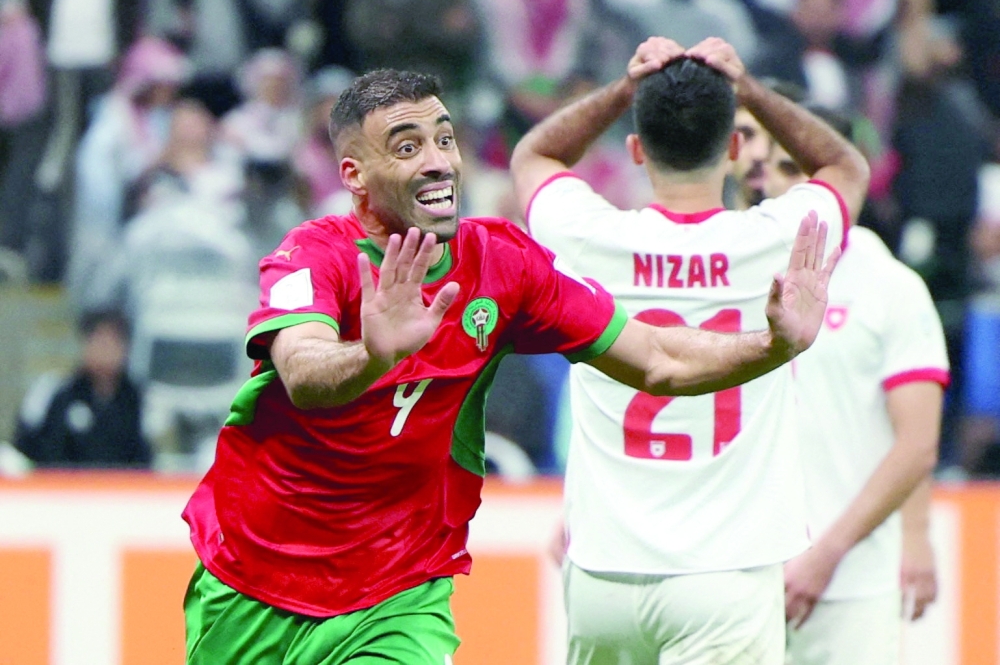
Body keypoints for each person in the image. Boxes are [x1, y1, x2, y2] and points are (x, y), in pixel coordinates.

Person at [181, 66, 839, 665]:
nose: (438, 162)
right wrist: (374, 353)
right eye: (408, 148)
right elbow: (302, 370)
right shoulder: (313, 255)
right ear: (354, 174)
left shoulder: (503, 265)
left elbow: (657, 358)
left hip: (398, 590)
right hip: (253, 579)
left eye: (445, 139)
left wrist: (772, 346)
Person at [510, 36, 869, 664]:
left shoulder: (587, 234)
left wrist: (627, 86)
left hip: (602, 570)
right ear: (733, 148)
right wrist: (748, 87)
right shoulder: (777, 239)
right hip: (725, 571)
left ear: (636, 150)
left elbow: (533, 154)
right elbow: (846, 166)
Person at [763, 110, 948, 665]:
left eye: (802, 169)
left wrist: (832, 553)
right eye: (776, 168)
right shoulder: (740, 275)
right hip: (745, 575)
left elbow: (916, 444)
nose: (787, 186)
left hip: (854, 581)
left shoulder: (891, 286)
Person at [14, 308, 150, 468]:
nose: (106, 351)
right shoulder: (57, 393)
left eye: (114, 342)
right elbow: (27, 447)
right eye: (100, 341)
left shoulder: (138, 399)